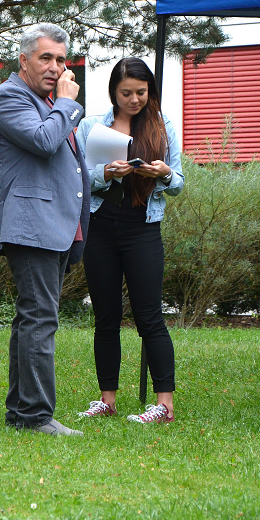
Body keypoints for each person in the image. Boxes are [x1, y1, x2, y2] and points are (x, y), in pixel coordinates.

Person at [0, 23, 89, 437]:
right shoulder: (11, 97)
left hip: (57, 225)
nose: (55, 67)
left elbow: (65, 164)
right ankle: (35, 415)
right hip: (32, 227)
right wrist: (66, 104)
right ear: (23, 59)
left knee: (33, 318)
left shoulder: (46, 102)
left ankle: (22, 412)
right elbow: (45, 141)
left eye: (62, 60)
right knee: (40, 319)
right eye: (46, 58)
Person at [74, 57, 184, 424]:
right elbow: (76, 179)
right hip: (101, 229)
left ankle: (163, 405)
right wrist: (105, 172)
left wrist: (165, 173)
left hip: (142, 229)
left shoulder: (162, 125)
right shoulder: (91, 126)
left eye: (141, 92)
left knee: (150, 317)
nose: (134, 100)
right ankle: (107, 400)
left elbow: (180, 183)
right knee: (105, 318)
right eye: (126, 93)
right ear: (113, 92)